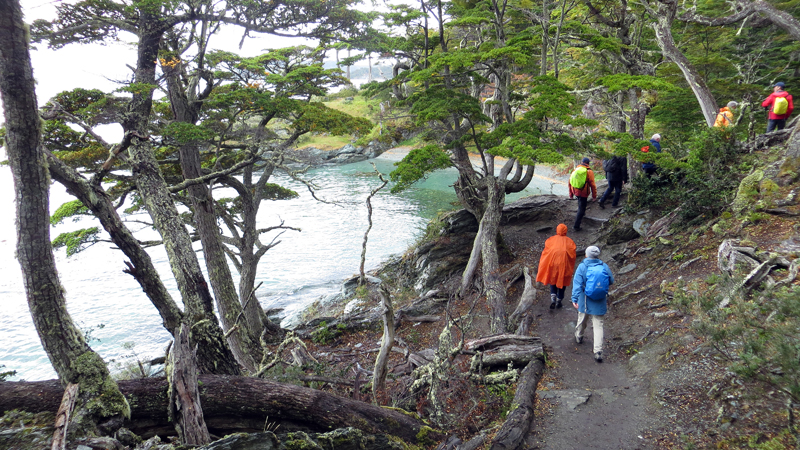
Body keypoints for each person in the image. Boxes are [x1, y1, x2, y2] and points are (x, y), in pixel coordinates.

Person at [572, 246, 614, 363]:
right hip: (600, 300)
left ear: (586, 255)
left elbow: (577, 284)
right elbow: (611, 280)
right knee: (598, 324)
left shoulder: (582, 267)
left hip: (584, 299)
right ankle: (598, 351)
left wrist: (574, 298)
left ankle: (579, 336)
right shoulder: (603, 266)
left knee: (582, 318)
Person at [536, 223, 577, 309]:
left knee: (553, 279)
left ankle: (553, 297)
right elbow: (572, 255)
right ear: (566, 231)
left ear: (557, 230)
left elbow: (546, 251)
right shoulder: (570, 242)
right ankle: (559, 299)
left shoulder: (550, 240)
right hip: (564, 265)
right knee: (563, 281)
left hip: (552, 264)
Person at [568, 157, 597, 232]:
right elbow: (593, 185)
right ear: (588, 163)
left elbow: (570, 182)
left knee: (580, 203)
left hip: (575, 190)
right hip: (583, 192)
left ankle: (582, 214)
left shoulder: (576, 169)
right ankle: (576, 226)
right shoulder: (589, 172)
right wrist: (594, 196)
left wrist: (571, 194)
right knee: (581, 208)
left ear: (582, 162)